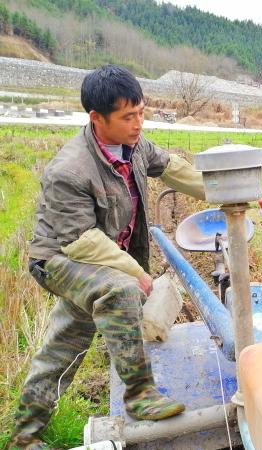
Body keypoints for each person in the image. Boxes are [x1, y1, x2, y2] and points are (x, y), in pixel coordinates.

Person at [9, 65, 205, 449]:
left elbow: (170, 168)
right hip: (60, 257)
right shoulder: (71, 169)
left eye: (141, 112)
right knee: (119, 291)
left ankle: (24, 436)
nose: (137, 123)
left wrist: (222, 189)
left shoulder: (134, 145)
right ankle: (139, 395)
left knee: (65, 345)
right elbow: (82, 241)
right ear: (96, 118)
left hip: (97, 258)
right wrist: (136, 274)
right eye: (127, 117)